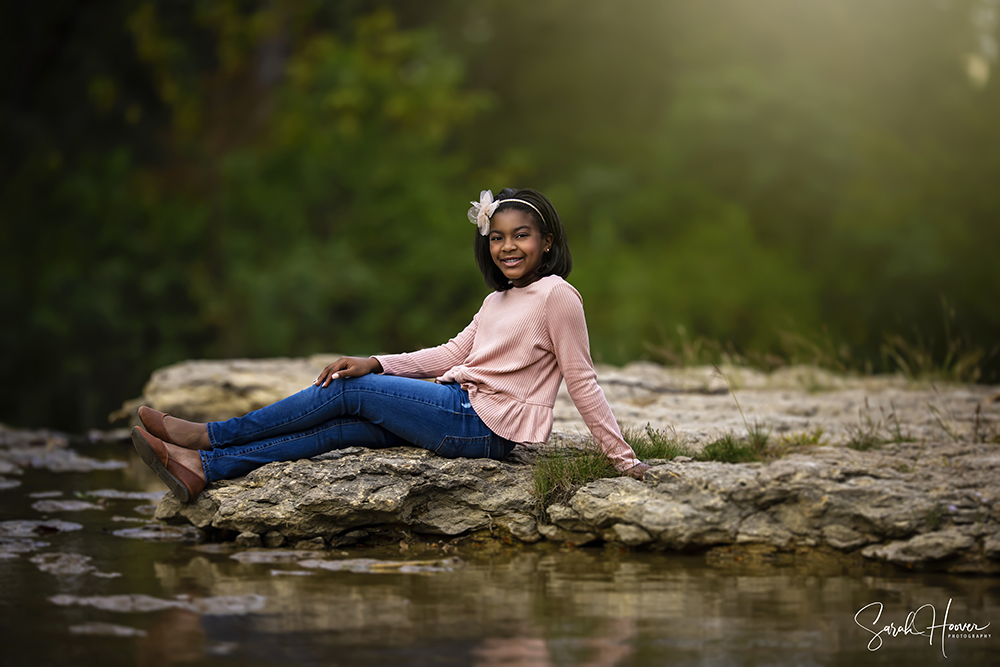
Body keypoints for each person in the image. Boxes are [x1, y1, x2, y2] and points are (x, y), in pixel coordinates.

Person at [131, 188, 650, 502]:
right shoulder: (498, 303)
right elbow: (450, 355)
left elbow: (582, 379)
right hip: (459, 412)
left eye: (521, 236)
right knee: (341, 429)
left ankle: (208, 436)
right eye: (497, 237)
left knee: (352, 392)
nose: (507, 247)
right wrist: (376, 360)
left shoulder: (557, 296)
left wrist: (622, 459)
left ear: (547, 243)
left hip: (484, 425)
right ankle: (205, 469)